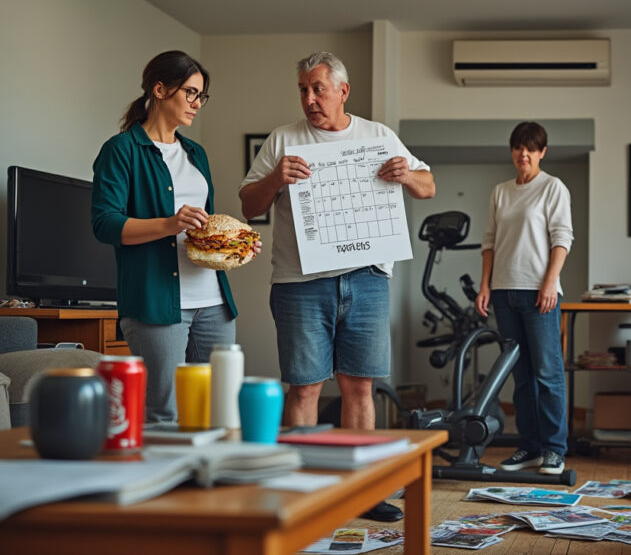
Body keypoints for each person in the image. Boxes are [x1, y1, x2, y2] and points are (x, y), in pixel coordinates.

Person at [238, 51, 434, 522]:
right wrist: (274, 179)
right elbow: (248, 205)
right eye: (302, 89)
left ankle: (364, 491)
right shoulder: (282, 140)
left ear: (342, 91)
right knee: (304, 388)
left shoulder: (378, 135)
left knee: (360, 387)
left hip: (367, 279)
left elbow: (428, 186)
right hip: (300, 283)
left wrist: (405, 174)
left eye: (318, 88)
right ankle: (303, 490)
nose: (309, 98)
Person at [92, 50, 242, 424]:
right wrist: (168, 224)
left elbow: (202, 228)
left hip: (214, 302)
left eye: (200, 96)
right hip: (156, 304)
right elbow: (105, 224)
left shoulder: (195, 153)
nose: (196, 104)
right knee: (166, 413)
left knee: (220, 409)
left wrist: (234, 245)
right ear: (159, 90)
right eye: (190, 93)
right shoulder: (121, 150)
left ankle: (214, 481)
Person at [474, 122, 573, 475]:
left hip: (538, 293)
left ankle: (554, 450)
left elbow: (562, 238)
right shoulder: (500, 192)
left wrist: (550, 283)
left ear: (542, 152)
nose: (524, 154)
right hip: (504, 292)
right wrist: (485, 286)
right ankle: (529, 447)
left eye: (531, 148)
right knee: (521, 376)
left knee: (548, 374)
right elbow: (489, 242)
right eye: (518, 147)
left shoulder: (553, 188)